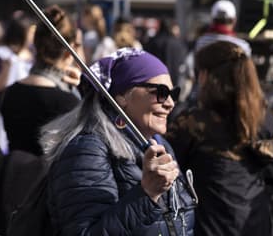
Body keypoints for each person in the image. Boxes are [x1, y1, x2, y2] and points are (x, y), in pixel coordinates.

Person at [41, 48, 196, 235]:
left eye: (174, 93)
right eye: (161, 92)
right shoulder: (85, 150)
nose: (170, 103)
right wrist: (147, 194)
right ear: (122, 95)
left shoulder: (159, 144)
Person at [166, 40, 273, 235]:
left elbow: (165, 171)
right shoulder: (267, 120)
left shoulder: (193, 123)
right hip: (256, 222)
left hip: (211, 226)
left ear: (206, 76)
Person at [0, 6, 82, 234]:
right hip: (48, 206)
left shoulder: (11, 93)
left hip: (13, 194)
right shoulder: (68, 102)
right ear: (69, 54)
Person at [145, 18, 188, 88]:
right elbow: (182, 62)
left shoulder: (153, 42)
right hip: (174, 81)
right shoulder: (177, 43)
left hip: (156, 80)